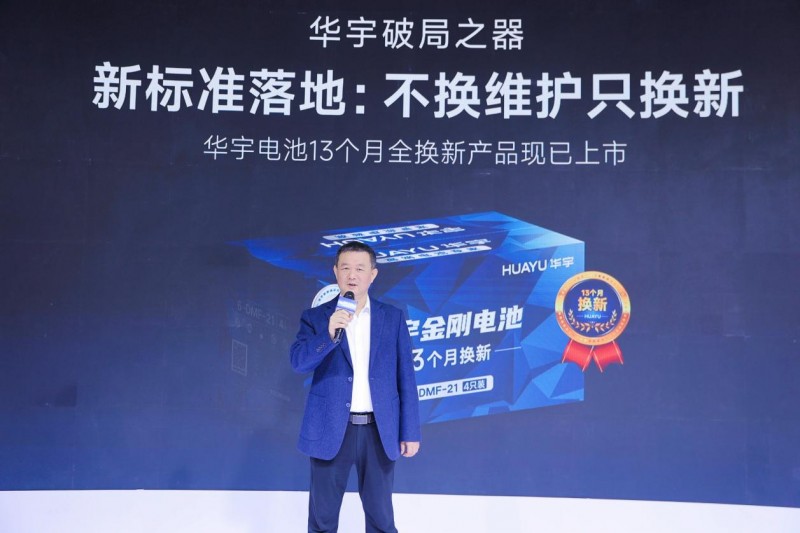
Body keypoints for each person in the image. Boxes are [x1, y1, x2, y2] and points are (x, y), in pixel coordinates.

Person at [290, 241, 421, 533]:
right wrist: (328, 333)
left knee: (381, 520)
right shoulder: (316, 317)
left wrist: (410, 431)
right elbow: (298, 363)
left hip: (379, 431)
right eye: (346, 268)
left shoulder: (392, 318)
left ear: (372, 274)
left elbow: (406, 377)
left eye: (360, 269)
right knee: (322, 520)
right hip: (330, 429)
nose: (352, 275)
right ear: (335, 272)